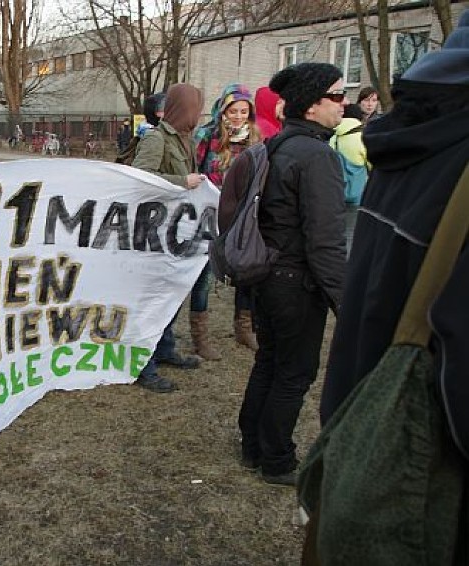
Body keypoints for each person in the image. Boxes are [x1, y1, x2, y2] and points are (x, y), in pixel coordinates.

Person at [320, 13, 469, 562]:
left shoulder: (410, 144)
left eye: (342, 93)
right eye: (331, 95)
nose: (341, 102)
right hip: (419, 478)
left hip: (364, 424)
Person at [237, 63, 347, 486]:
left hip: (267, 276)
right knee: (294, 372)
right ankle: (277, 460)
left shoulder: (279, 145)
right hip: (294, 283)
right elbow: (325, 241)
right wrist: (346, 303)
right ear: (314, 104)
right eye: (337, 96)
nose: (344, 104)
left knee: (270, 361)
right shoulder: (317, 155)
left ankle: (253, 447)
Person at [130, 83, 205, 393]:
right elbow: (138, 177)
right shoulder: (156, 139)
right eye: (194, 109)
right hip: (154, 232)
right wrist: (181, 181)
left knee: (170, 294)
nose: (198, 115)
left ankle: (164, 350)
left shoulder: (185, 139)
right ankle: (143, 366)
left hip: (175, 231)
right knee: (151, 299)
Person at [194, 84, 263, 356]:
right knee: (204, 275)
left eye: (244, 111)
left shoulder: (255, 139)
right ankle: (200, 336)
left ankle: (244, 328)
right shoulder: (206, 136)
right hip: (210, 216)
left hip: (243, 216)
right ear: (223, 110)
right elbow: (194, 171)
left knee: (245, 272)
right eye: (233, 111)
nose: (238, 117)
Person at [329, 103, 369, 253]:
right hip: (357, 195)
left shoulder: (332, 136)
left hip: (336, 193)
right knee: (353, 234)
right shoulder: (361, 137)